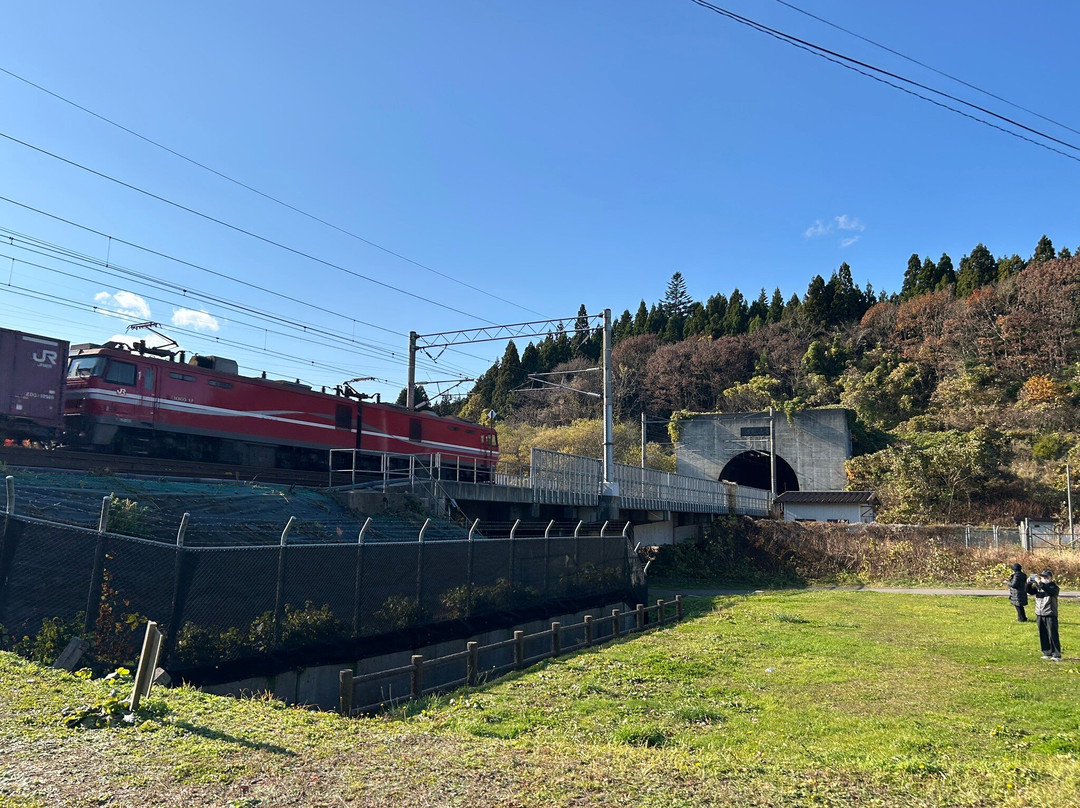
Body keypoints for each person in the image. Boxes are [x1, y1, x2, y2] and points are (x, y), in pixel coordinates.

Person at [1026, 569, 1062, 660]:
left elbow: (1051, 592)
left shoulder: (1054, 587)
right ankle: (1047, 652)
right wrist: (1029, 583)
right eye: (1042, 577)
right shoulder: (1039, 587)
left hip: (1050, 613)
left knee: (1052, 634)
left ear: (1050, 578)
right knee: (1043, 634)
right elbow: (1029, 591)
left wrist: (1041, 584)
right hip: (1040, 613)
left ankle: (1056, 654)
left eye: (1045, 577)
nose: (1043, 579)